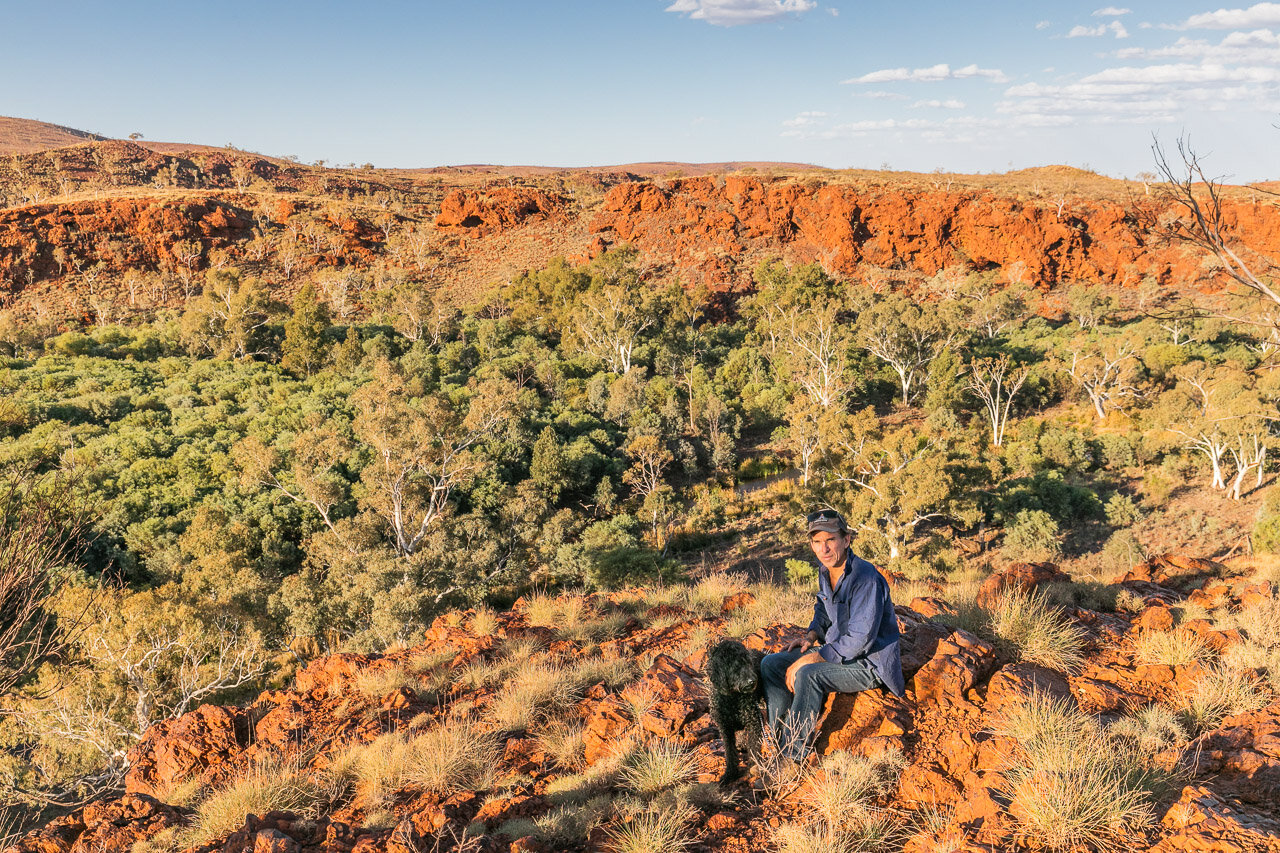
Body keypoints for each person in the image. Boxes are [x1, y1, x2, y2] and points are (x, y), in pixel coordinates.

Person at [760, 508, 905, 761]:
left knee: (808, 674)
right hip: (838, 651)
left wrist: (810, 659)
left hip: (868, 663)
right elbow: (823, 607)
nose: (823, 549)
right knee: (771, 664)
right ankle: (776, 741)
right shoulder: (826, 570)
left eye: (830, 540)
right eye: (817, 542)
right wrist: (811, 636)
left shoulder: (865, 578)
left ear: (846, 540)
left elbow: (860, 640)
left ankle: (791, 756)